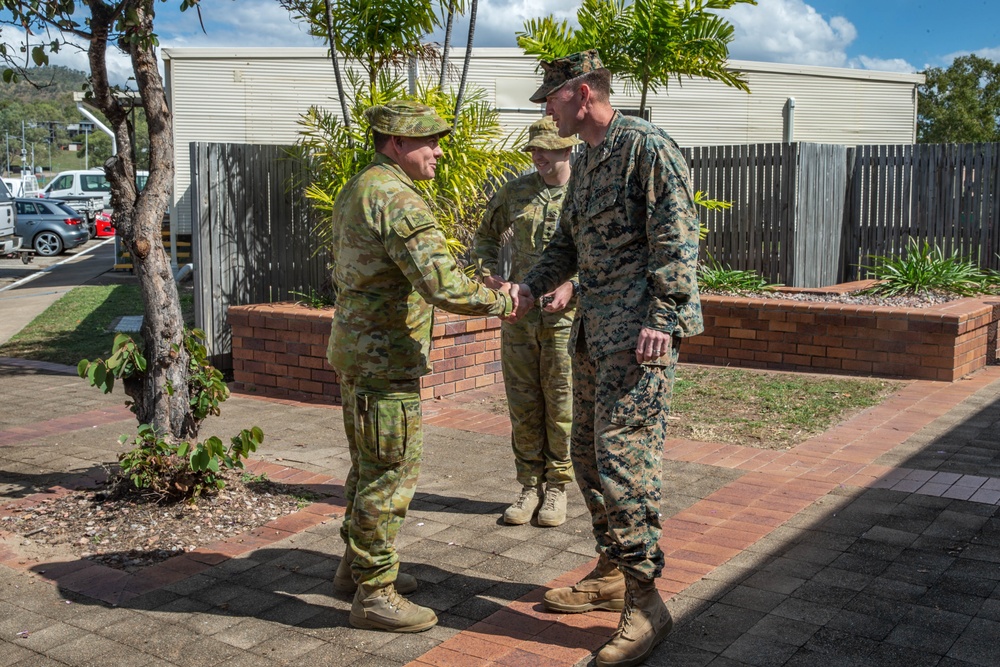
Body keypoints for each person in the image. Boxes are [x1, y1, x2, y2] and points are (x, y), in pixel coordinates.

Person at [512, 50, 704, 667]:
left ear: (582, 91)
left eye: (552, 96)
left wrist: (664, 316)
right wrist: (531, 283)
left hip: (638, 337)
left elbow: (677, 238)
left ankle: (647, 603)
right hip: (595, 333)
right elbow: (568, 242)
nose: (546, 108)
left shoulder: (645, 146)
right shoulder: (590, 156)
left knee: (624, 460)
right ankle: (614, 568)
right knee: (588, 453)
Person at [326, 100, 518, 633]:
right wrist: (504, 301)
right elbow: (442, 286)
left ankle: (355, 568)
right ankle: (375, 594)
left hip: (359, 352)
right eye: (427, 141)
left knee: (368, 467)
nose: (438, 151)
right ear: (396, 144)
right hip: (384, 360)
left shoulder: (362, 185)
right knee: (389, 473)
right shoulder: (396, 198)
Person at [472, 116, 581, 528]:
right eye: (533, 149)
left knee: (560, 401)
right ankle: (528, 485)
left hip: (565, 319)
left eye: (546, 149)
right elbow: (484, 237)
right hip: (519, 315)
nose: (538, 156)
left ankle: (557, 487)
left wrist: (574, 285)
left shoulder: (582, 193)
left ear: (568, 149)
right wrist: (489, 276)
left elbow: (600, 253)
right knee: (523, 401)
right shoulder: (515, 192)